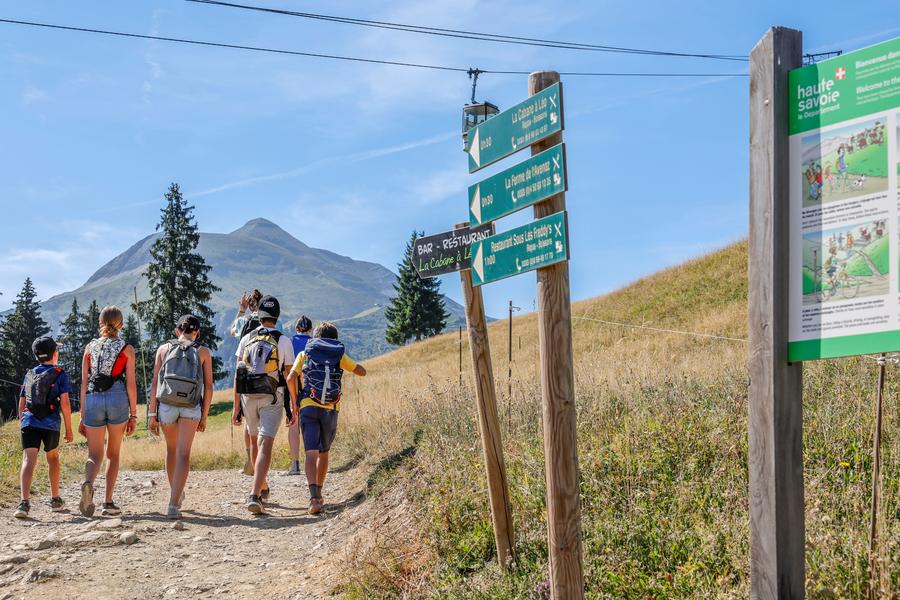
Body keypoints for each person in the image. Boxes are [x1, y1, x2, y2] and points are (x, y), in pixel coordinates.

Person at [287, 321, 366, 515]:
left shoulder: (305, 354)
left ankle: (313, 498)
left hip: (307, 405)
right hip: (331, 408)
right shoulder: (338, 355)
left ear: (315, 337)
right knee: (324, 453)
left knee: (310, 453)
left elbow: (290, 378)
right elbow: (361, 372)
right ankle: (320, 495)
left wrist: (296, 401)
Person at [232, 295, 295, 514]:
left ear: (259, 314)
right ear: (276, 316)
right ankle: (255, 493)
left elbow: (238, 374)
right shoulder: (284, 341)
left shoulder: (246, 338)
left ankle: (263, 485)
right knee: (265, 443)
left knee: (253, 440)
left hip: (248, 395)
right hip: (272, 396)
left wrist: (235, 407)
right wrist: (293, 406)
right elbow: (289, 376)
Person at [148, 315, 214, 519]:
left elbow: (154, 384)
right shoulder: (203, 351)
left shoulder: (163, 349)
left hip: (167, 405)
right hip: (191, 406)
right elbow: (209, 387)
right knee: (184, 454)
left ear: (178, 330)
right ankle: (173, 503)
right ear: (198, 332)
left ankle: (176, 492)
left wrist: (152, 413)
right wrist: (204, 415)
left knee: (171, 450)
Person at [78, 305, 138, 517]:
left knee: (94, 454)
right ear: (120, 324)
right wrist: (133, 414)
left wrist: (82, 415)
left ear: (100, 323)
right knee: (113, 453)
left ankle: (88, 483)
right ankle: (108, 502)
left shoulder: (89, 347)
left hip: (93, 399)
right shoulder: (127, 348)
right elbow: (131, 384)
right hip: (117, 397)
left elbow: (84, 383)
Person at [13, 336, 74, 518]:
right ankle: (55, 499)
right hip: (51, 424)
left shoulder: (30, 374)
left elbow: (22, 402)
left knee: (28, 460)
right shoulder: (60, 373)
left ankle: (24, 503)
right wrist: (69, 430)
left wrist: (22, 421)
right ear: (55, 353)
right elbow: (65, 404)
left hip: (30, 422)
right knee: (52, 458)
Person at [230, 290, 263, 477]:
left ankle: (250, 460)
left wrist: (241, 310)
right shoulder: (274, 321)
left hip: (245, 374)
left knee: (248, 424)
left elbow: (232, 331)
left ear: (250, 305)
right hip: (267, 376)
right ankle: (260, 460)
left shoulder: (244, 321)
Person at [286, 315, 313, 475]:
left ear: (296, 328)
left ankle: (295, 465)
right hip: (311, 388)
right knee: (310, 424)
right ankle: (313, 461)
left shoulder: (289, 342)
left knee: (293, 424)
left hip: (293, 387)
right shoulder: (314, 343)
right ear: (311, 329)